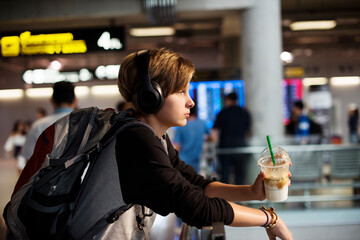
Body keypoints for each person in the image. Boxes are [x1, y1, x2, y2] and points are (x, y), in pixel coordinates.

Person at [115, 48, 292, 239]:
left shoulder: (155, 136)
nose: (190, 101)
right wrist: (269, 218)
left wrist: (251, 192)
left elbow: (197, 186)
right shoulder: (135, 137)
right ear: (151, 96)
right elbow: (196, 207)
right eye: (181, 92)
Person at [21, 81, 78, 160]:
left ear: (52, 101)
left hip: (45, 172)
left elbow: (29, 158)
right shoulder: (87, 124)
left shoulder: (38, 126)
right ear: (75, 101)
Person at [210, 92, 251, 185]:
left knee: (225, 172)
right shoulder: (244, 112)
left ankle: (226, 197)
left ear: (227, 100)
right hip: (240, 145)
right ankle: (240, 195)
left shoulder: (222, 113)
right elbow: (247, 133)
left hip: (225, 146)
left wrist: (215, 144)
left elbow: (214, 132)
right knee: (239, 172)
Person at [173, 106, 209, 173]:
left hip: (183, 162)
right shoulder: (202, 123)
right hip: (196, 161)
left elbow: (177, 147)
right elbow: (212, 137)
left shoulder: (181, 125)